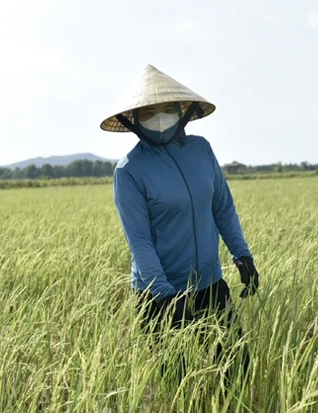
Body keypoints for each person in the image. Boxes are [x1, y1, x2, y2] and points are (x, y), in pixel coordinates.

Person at [99, 64, 258, 378]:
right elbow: (140, 241)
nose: (159, 117)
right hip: (159, 294)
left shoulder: (201, 150)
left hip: (210, 284)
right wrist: (167, 296)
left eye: (167, 109)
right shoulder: (129, 171)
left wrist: (242, 255)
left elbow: (222, 208)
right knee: (180, 382)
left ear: (182, 112)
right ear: (133, 120)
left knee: (237, 369)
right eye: (149, 112)